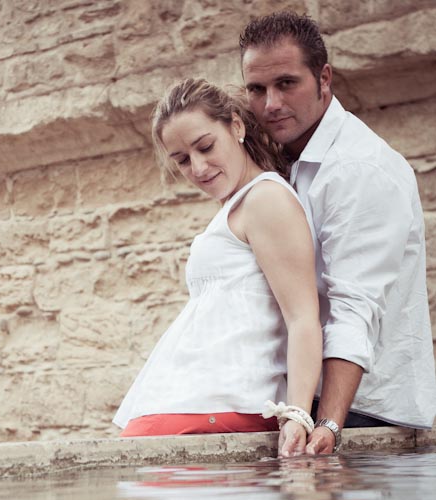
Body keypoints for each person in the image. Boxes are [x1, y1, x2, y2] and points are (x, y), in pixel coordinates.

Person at [240, 12, 436, 454]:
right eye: (257, 89)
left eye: (287, 83)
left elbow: (353, 305)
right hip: (306, 403)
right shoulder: (286, 163)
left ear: (324, 78)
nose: (270, 103)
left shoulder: (358, 168)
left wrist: (326, 422)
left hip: (363, 413)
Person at [112, 78, 322, 457]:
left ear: (236, 127)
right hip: (198, 399)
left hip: (223, 401)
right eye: (181, 160)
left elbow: (303, 316)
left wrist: (297, 413)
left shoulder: (266, 200)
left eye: (205, 146)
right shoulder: (238, 205)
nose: (198, 167)